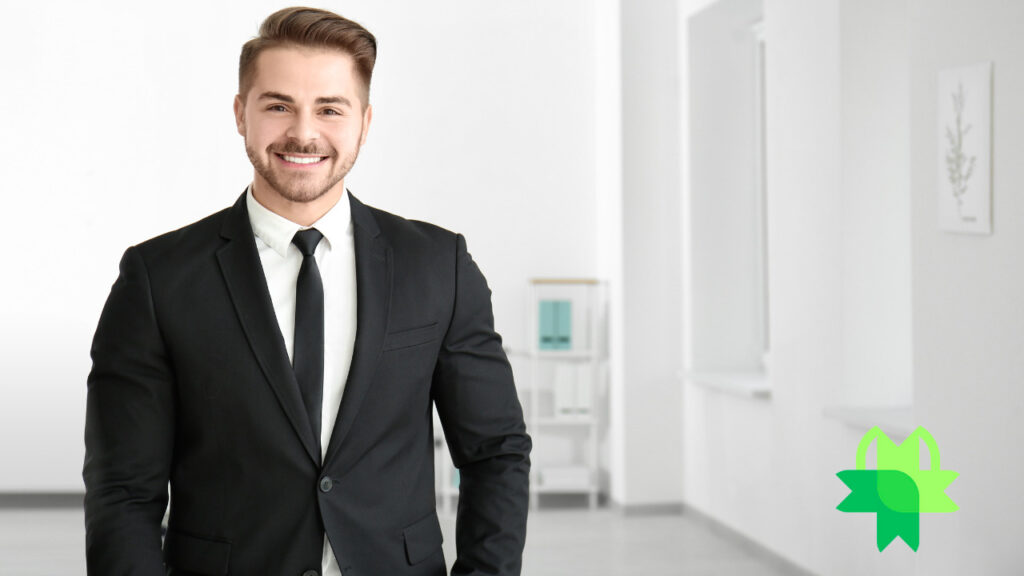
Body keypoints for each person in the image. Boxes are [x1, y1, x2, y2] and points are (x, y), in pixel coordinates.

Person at [83, 7, 531, 576]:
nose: (303, 132)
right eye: (278, 106)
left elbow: (496, 453)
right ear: (241, 114)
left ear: (364, 122)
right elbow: (122, 490)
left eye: (329, 109)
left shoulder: (438, 266)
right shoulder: (157, 278)